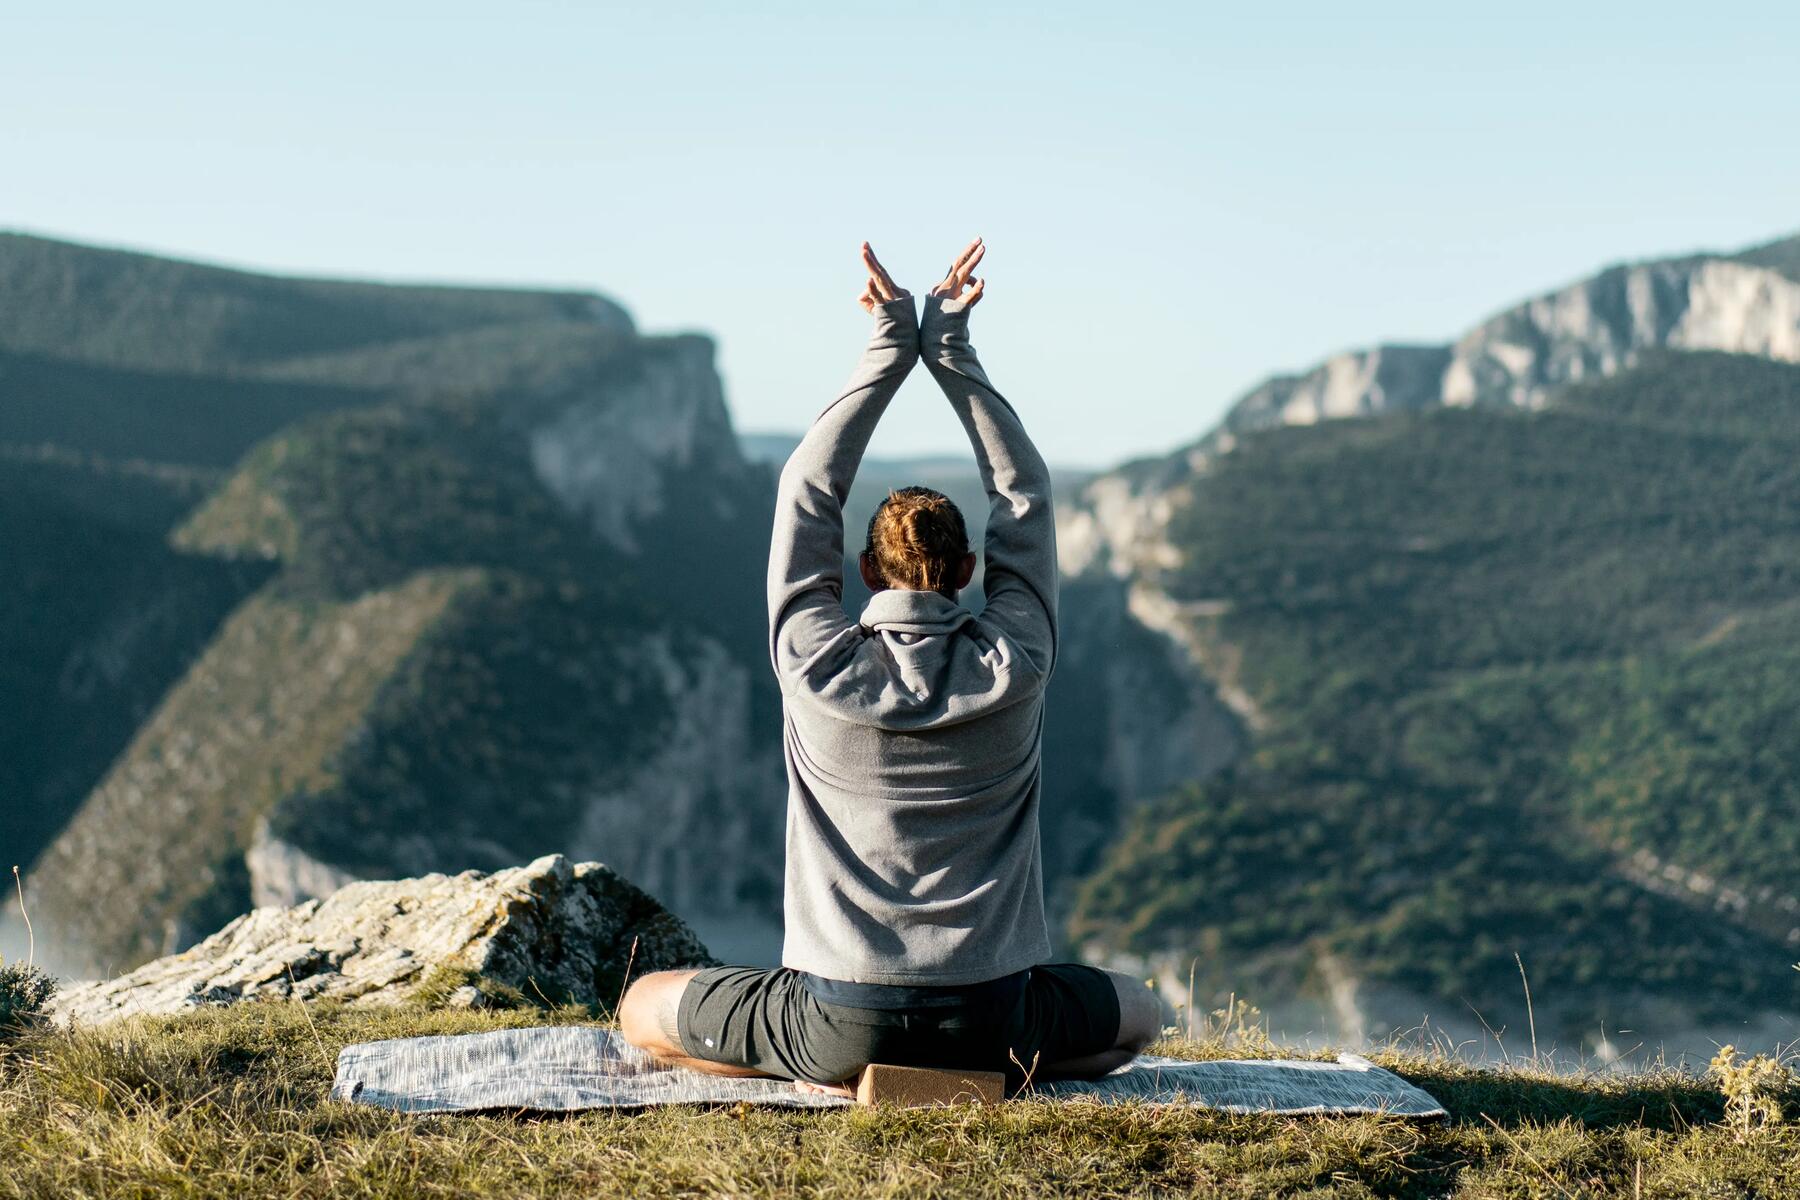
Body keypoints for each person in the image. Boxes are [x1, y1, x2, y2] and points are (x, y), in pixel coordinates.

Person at [620, 238, 1159, 1095]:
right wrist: (951, 349)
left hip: (840, 1018)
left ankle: (836, 1080)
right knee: (1140, 1015)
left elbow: (808, 492)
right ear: (971, 573)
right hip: (996, 1021)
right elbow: (1024, 496)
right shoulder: (1018, 656)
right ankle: (974, 1082)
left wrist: (887, 344)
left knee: (643, 1006)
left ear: (864, 572)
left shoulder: (816, 659)